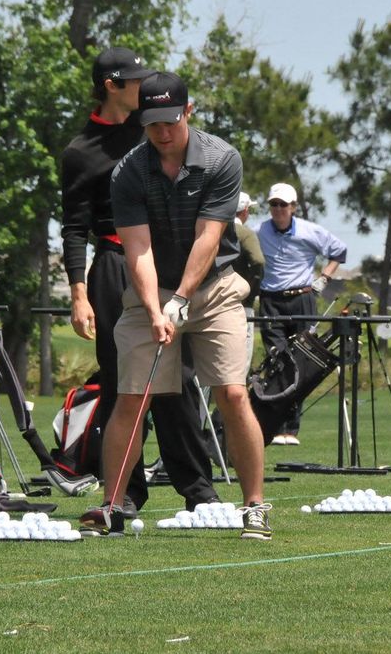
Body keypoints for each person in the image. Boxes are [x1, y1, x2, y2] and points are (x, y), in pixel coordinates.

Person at [80, 71, 271, 539]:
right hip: (151, 291)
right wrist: (154, 309)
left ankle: (255, 507)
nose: (162, 133)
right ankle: (112, 506)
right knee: (130, 397)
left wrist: (182, 299)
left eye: (170, 121)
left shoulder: (222, 158)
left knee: (231, 393)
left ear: (188, 112)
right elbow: (137, 250)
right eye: (152, 124)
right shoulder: (128, 171)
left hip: (215, 288)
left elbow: (209, 237)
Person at [61, 47, 218, 513]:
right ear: (111, 86)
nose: (144, 90)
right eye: (134, 81)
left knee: (179, 380)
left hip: (166, 259)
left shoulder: (155, 131)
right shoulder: (80, 151)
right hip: (113, 263)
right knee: (122, 382)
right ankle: (126, 492)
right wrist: (78, 292)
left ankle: (197, 489)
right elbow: (73, 227)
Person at [257, 182, 347, 445]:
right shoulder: (259, 230)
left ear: (293, 207)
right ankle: (274, 425)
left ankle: (291, 428)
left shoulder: (310, 231)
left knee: (301, 361)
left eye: (283, 205)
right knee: (276, 361)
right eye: (274, 204)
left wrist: (325, 278)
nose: (278, 209)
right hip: (271, 300)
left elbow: (339, 252)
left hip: (303, 299)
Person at [233, 191, 264, 371]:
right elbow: (258, 261)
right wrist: (252, 288)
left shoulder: (213, 229)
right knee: (240, 363)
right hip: (242, 304)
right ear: (245, 211)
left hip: (211, 302)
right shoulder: (245, 234)